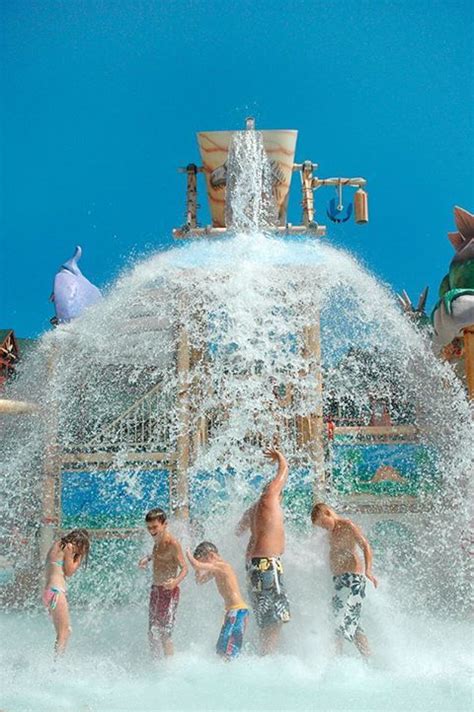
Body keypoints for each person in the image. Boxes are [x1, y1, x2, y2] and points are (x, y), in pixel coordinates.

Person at [235, 447, 290, 655]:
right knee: (275, 619)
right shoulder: (269, 499)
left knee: (266, 616)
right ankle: (268, 658)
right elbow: (283, 474)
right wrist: (281, 460)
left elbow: (238, 530)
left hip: (254, 566)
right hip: (267, 564)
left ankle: (265, 656)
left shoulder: (253, 509)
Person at [310, 502, 378, 658]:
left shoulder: (347, 525)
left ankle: (346, 658)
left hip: (353, 579)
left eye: (323, 523)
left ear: (328, 513)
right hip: (339, 580)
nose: (323, 528)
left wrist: (368, 570)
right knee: (345, 621)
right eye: (320, 526)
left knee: (344, 619)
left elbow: (365, 546)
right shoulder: (330, 533)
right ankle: (361, 658)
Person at [138, 507, 188, 659]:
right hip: (156, 590)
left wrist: (175, 581)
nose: (152, 531)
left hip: (168, 592)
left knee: (165, 633)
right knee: (152, 631)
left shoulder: (173, 543)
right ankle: (155, 661)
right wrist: (147, 559)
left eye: (154, 527)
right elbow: (157, 555)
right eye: (149, 528)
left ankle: (169, 665)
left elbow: (185, 568)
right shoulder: (157, 541)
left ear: (165, 524)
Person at [186, 541, 249, 661]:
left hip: (237, 611)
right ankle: (224, 674)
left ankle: (232, 673)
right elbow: (199, 581)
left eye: (204, 561)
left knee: (229, 650)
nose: (204, 565)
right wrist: (198, 567)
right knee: (221, 648)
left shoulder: (222, 566)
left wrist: (188, 552)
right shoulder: (216, 569)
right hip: (232, 612)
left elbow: (196, 565)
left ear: (210, 555)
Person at [43, 528, 90, 656]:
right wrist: (80, 557)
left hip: (49, 593)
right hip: (57, 592)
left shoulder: (57, 545)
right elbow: (69, 571)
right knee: (65, 632)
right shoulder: (69, 547)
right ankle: (57, 666)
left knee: (62, 631)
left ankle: (56, 663)